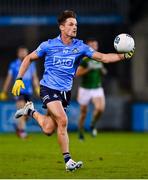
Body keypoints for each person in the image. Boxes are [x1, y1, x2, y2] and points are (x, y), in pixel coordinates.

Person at [11, 10, 134, 171]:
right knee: (63, 121)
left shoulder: (80, 47)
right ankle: (68, 161)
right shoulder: (48, 45)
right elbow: (28, 58)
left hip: (64, 93)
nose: (74, 27)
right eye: (70, 24)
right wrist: (19, 79)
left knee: (48, 129)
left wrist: (123, 56)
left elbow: (103, 57)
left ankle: (30, 111)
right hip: (48, 87)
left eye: (76, 24)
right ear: (62, 27)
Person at [0, 46, 40, 139]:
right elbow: (9, 78)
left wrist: (37, 88)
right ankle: (22, 133)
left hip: (28, 92)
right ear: (18, 54)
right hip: (19, 91)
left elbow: (34, 77)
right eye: (21, 52)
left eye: (24, 52)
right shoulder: (13, 65)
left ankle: (18, 126)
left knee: (28, 115)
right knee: (22, 111)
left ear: (27, 53)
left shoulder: (31, 64)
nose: (23, 54)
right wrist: (4, 91)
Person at [76, 38, 107, 140]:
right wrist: (88, 68)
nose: (94, 47)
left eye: (95, 45)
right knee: (84, 113)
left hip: (97, 88)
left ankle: (93, 124)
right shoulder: (84, 59)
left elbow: (103, 71)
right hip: (85, 89)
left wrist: (102, 70)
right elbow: (77, 73)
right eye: (92, 45)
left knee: (100, 109)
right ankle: (80, 132)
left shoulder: (99, 58)